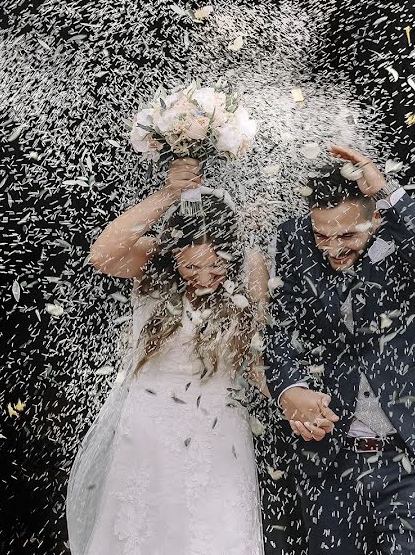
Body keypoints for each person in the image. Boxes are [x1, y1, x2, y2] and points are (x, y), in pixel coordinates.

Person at [264, 145, 415, 554]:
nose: (333, 248)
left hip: (410, 455)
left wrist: (385, 191)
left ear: (375, 216)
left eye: (347, 235)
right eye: (321, 235)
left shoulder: (402, 231)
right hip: (329, 459)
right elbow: (279, 330)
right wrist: (289, 389)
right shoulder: (291, 239)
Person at [67, 157, 270, 555]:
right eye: (191, 265)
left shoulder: (251, 269)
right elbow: (101, 254)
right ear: (172, 254)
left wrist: (282, 393)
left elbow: (256, 354)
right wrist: (169, 194)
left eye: (217, 265)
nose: (206, 275)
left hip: (219, 428)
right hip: (149, 427)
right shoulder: (151, 268)